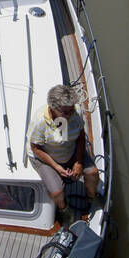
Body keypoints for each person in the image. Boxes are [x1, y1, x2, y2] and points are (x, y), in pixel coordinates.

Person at [28, 84, 99, 224]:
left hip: (69, 149)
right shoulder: (40, 121)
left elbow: (80, 137)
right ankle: (64, 210)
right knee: (57, 192)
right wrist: (56, 167)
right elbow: (36, 148)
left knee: (93, 173)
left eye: (71, 110)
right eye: (65, 113)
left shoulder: (76, 113)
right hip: (46, 157)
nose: (70, 114)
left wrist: (78, 162)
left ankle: (91, 199)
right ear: (52, 108)